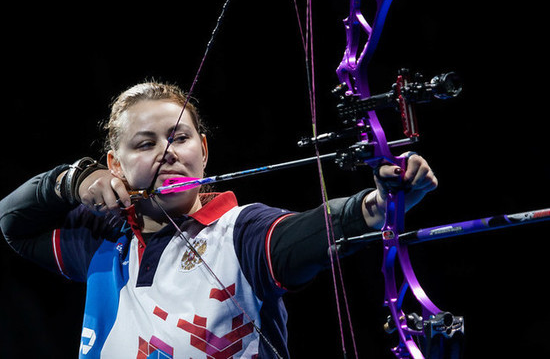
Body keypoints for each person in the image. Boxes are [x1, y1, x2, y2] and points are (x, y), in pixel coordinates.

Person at [0, 81, 437, 358]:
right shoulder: (100, 235)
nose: (167, 152)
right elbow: (12, 223)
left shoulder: (241, 231)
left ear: (203, 152)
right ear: (115, 164)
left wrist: (377, 206)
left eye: (180, 138)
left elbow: (308, 233)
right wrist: (70, 180)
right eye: (144, 143)